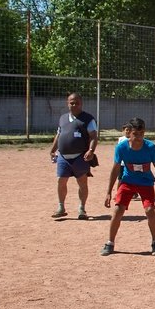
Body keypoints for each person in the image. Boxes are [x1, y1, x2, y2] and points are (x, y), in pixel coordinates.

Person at [100, 118, 155, 256]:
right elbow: (115, 169)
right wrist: (109, 192)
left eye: (141, 133)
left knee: (149, 210)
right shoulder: (121, 147)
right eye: (135, 134)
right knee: (118, 210)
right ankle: (109, 243)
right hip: (127, 182)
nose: (138, 137)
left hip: (146, 182)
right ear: (129, 133)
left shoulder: (151, 147)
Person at [49, 92, 99, 220]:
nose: (74, 105)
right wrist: (53, 150)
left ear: (81, 104)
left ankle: (82, 209)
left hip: (80, 157)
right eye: (71, 103)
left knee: (82, 182)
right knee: (61, 180)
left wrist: (91, 150)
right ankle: (61, 207)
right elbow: (58, 135)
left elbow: (94, 136)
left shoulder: (88, 119)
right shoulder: (63, 118)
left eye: (77, 103)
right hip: (63, 156)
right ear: (67, 104)